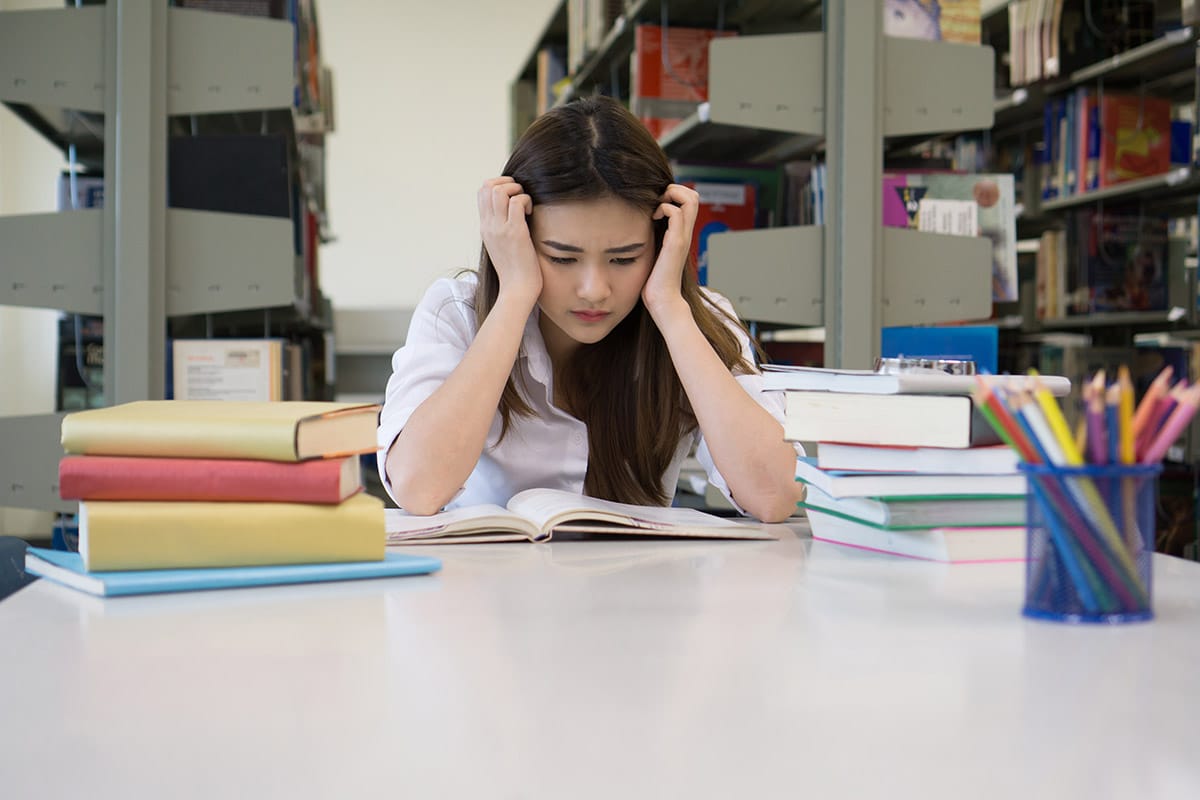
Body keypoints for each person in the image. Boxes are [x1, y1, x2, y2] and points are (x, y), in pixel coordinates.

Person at [378, 96, 802, 522]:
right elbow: (418, 488)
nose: (594, 290)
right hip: (490, 587)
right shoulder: (457, 311)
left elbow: (774, 496)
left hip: (639, 586)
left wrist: (670, 308)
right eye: (562, 258)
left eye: (625, 258)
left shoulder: (698, 320)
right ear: (517, 238)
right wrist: (514, 295)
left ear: (660, 243)